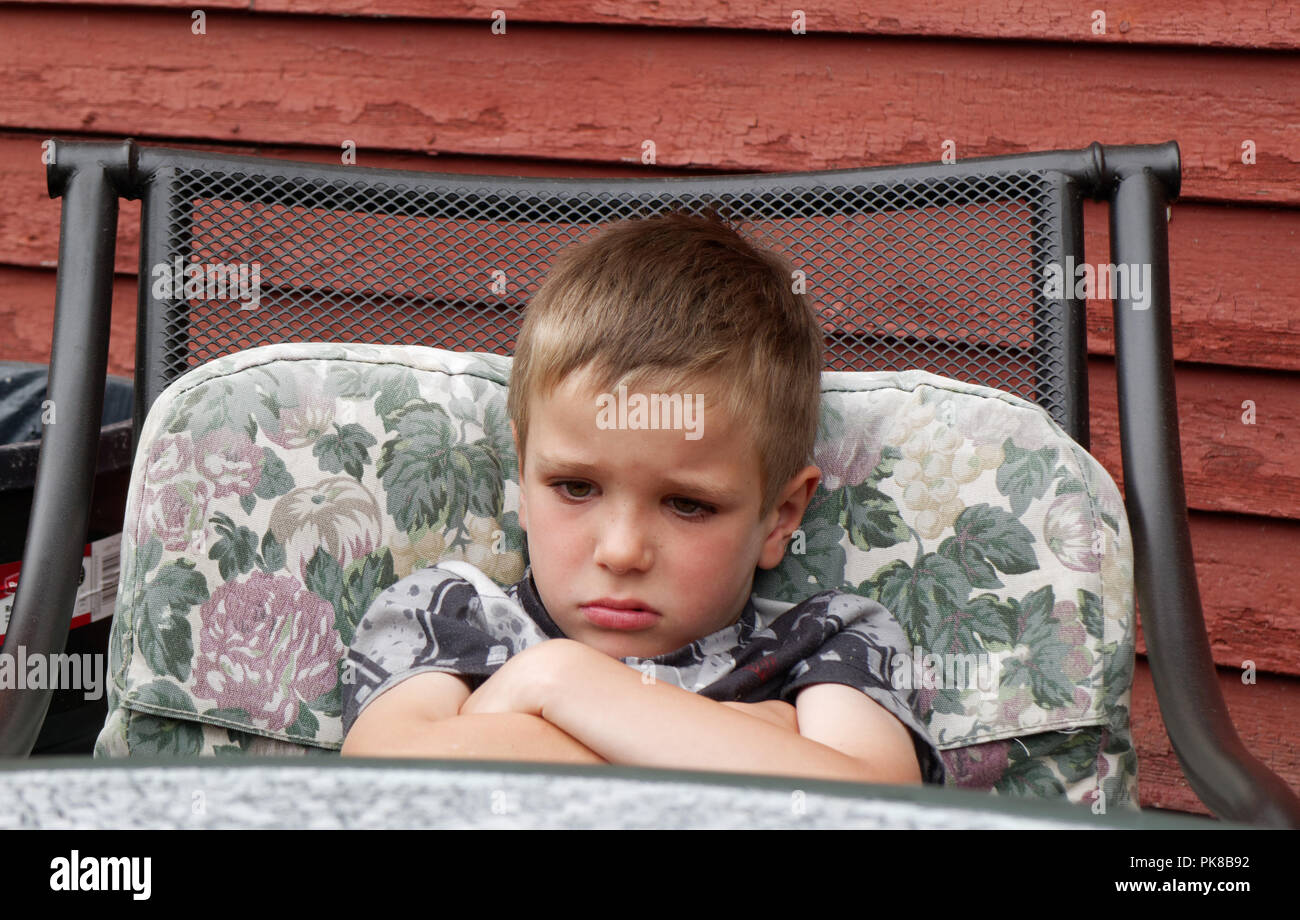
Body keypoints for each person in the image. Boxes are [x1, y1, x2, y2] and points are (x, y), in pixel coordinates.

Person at [339, 208, 945, 786]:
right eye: (575, 487)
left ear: (780, 516)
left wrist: (553, 685)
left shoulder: (825, 639)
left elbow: (869, 806)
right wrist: (747, 740)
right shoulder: (449, 611)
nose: (623, 551)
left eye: (688, 504)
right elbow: (382, 785)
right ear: (523, 477)